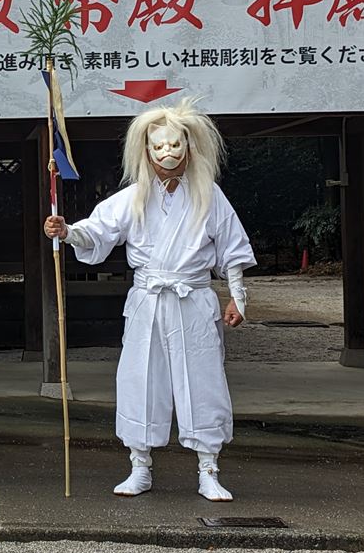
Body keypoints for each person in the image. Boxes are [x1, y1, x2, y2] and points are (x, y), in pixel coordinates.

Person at [44, 99, 255, 502]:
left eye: (175, 146)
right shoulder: (135, 196)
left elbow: (232, 249)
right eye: (159, 148)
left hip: (193, 297)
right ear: (147, 151)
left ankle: (208, 468)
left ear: (189, 149)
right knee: (141, 379)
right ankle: (139, 465)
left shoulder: (209, 195)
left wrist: (238, 297)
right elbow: (98, 231)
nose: (167, 155)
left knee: (204, 381)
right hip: (148, 300)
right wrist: (67, 231)